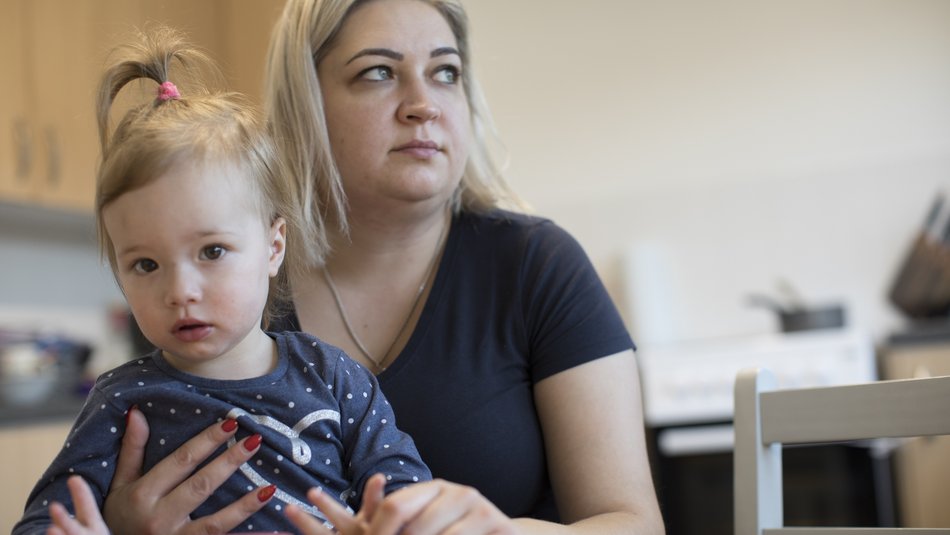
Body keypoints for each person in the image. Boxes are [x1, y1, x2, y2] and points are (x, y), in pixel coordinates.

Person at [99, 0, 665, 534]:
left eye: (446, 72)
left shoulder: (537, 266)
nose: (425, 102)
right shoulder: (212, 280)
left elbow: (634, 523)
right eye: (378, 72)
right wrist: (115, 524)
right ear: (306, 102)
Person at [12, 26, 430, 535]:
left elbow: (408, 494)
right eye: (145, 264)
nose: (180, 291)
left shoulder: (334, 378)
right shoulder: (122, 399)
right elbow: (42, 523)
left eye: (212, 251)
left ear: (274, 247)